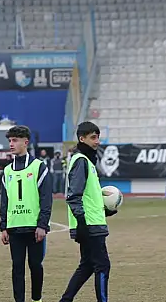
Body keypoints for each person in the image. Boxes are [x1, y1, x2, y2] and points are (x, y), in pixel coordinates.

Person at [59, 122, 115, 302]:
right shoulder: (81, 161)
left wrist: (104, 210)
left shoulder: (87, 161)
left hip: (92, 221)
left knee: (88, 265)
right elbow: (73, 195)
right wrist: (81, 222)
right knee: (102, 266)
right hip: (89, 225)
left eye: (98, 137)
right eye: (93, 137)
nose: (97, 141)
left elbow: (89, 197)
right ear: (82, 139)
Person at [0, 125, 53, 302]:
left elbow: (46, 199)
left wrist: (42, 225)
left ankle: (37, 299)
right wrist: (3, 227)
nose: (11, 144)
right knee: (17, 268)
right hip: (14, 227)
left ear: (26, 142)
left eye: (15, 140)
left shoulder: (39, 167)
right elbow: (5, 201)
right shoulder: (7, 171)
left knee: (35, 266)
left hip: (34, 227)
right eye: (10, 141)